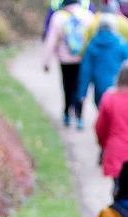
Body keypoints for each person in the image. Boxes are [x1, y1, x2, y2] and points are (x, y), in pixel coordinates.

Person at [77, 0, 128, 109]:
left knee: (103, 109)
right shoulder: (124, 29)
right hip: (119, 82)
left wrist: (82, 92)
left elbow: (85, 63)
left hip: (99, 85)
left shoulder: (93, 24)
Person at [42, 0, 98, 128]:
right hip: (82, 59)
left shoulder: (58, 17)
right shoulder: (88, 16)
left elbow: (51, 41)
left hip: (65, 59)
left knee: (67, 85)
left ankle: (67, 112)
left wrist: (46, 61)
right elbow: (92, 40)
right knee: (80, 86)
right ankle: (79, 116)